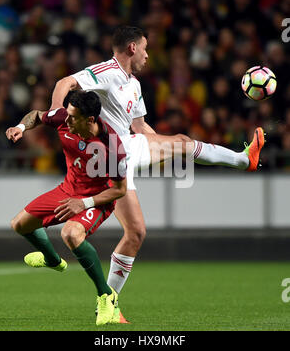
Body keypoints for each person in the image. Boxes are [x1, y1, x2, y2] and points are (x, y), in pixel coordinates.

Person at [47, 26, 266, 321]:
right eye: (146, 48)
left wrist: (160, 149)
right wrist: (52, 112)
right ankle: (244, 160)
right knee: (184, 143)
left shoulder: (134, 85)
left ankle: (107, 306)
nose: (149, 55)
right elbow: (65, 82)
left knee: (135, 232)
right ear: (132, 48)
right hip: (115, 149)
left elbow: (140, 128)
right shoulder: (108, 70)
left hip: (122, 156)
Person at [5, 90, 128, 326]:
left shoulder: (113, 147)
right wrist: (20, 127)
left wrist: (83, 203)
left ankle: (106, 295)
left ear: (90, 120)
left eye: (73, 117)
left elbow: (120, 190)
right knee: (19, 225)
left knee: (70, 233)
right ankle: (52, 260)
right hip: (67, 190)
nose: (66, 120)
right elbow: (37, 115)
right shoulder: (64, 117)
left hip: (98, 198)